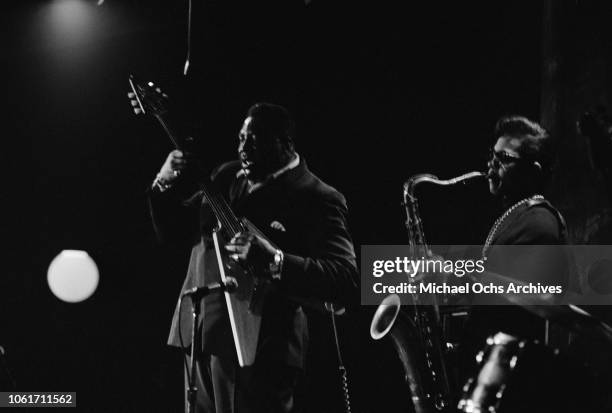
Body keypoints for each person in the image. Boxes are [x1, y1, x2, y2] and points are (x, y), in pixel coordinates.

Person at [148, 103, 358, 413]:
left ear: (285, 144)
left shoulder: (318, 197)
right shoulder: (226, 176)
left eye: (255, 141)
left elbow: (346, 278)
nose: (244, 148)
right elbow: (176, 233)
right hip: (202, 337)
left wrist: (276, 260)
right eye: (241, 138)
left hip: (261, 349)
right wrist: (164, 183)